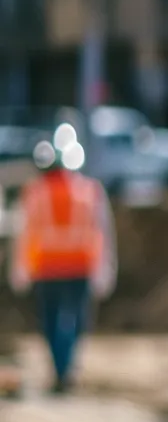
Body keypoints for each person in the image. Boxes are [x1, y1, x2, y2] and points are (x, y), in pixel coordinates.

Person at [7, 128, 115, 395]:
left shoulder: (34, 193)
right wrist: (105, 269)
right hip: (79, 266)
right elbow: (103, 231)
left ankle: (61, 369)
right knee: (75, 321)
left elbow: (22, 234)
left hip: (47, 268)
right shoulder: (88, 190)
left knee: (52, 323)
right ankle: (66, 369)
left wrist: (19, 270)